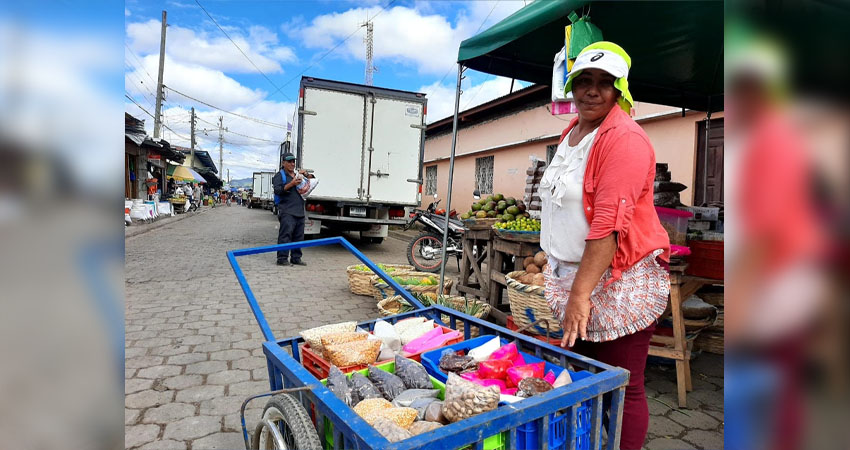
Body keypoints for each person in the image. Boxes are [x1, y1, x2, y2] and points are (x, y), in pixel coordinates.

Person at [539, 42, 670, 450]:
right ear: (572, 86)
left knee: (623, 384)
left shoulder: (624, 139)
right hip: (577, 277)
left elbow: (608, 227)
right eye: (584, 81)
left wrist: (580, 294)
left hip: (617, 282)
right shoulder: (573, 132)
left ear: (619, 91)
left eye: (604, 83)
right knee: (588, 378)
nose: (592, 91)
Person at [272, 153, 307, 266]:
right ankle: (282, 259)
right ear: (283, 163)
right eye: (289, 161)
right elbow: (278, 190)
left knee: (299, 237)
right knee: (285, 235)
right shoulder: (279, 176)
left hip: (300, 211)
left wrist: (306, 174)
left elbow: (310, 181)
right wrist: (291, 184)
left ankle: (296, 258)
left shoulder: (297, 175)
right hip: (287, 211)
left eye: (293, 161)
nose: (292, 164)